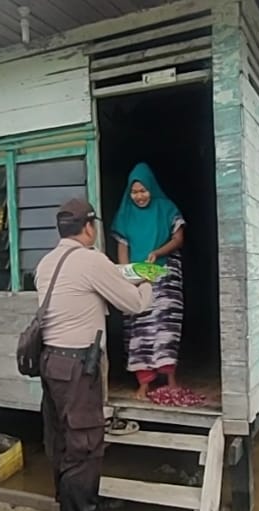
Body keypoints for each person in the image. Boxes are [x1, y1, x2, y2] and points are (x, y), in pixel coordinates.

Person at [34, 198, 153, 511]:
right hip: (77, 369)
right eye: (94, 225)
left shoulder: (46, 263)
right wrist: (148, 278)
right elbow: (135, 304)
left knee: (62, 442)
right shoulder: (90, 260)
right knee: (85, 447)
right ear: (88, 227)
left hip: (51, 363)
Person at [110, 163, 186, 399]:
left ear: (151, 188)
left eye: (143, 190)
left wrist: (160, 252)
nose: (139, 196)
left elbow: (179, 238)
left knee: (166, 327)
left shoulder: (166, 208)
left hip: (164, 274)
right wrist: (126, 275)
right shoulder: (125, 214)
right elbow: (122, 249)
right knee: (139, 330)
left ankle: (170, 378)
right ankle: (144, 383)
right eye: (135, 192)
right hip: (138, 277)